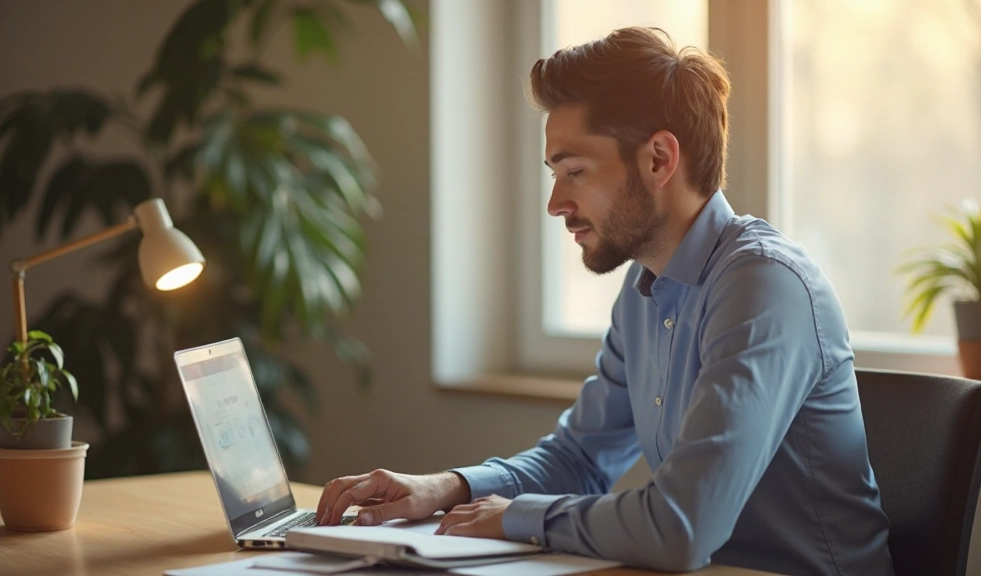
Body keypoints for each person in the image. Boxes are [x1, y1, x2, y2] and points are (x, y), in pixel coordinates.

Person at [316, 27, 895, 575]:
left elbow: (681, 527)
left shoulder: (764, 286)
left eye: (575, 171)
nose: (555, 203)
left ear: (659, 160)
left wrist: (517, 517)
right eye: (553, 173)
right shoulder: (645, 287)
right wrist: (447, 487)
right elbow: (581, 459)